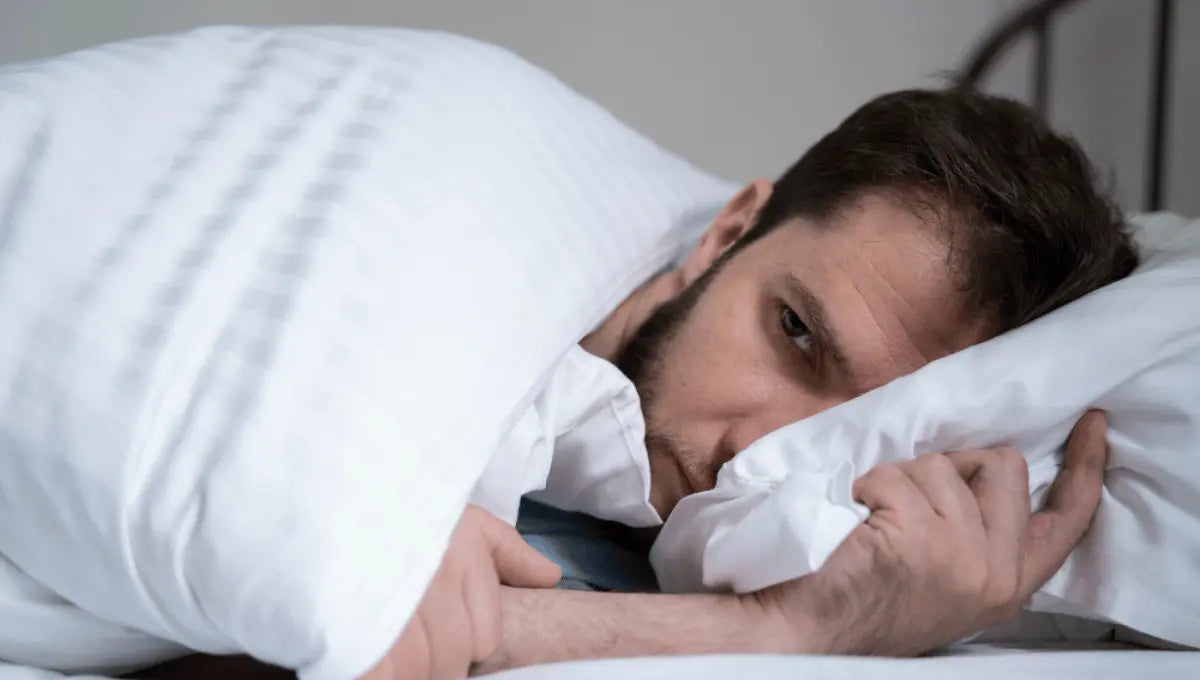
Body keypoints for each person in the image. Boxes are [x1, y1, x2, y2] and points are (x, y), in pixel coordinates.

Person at [151, 88, 1138, 679]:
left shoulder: (677, 558)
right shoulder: (451, 298)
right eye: (794, 332)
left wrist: (802, 623)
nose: (763, 450)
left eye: (860, 435)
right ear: (729, 231)